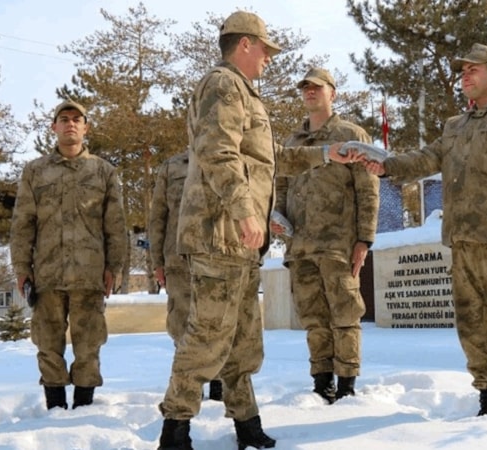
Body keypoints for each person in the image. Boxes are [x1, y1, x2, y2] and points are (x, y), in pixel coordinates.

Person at [156, 11, 358, 450]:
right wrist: (246, 212)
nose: (268, 58)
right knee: (208, 335)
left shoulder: (245, 94)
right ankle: (175, 429)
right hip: (220, 233)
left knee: (243, 339)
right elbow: (218, 151)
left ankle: (245, 422)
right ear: (245, 44)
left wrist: (328, 153)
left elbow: (271, 161)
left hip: (239, 241)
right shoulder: (223, 84)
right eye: (265, 49)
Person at [362, 43, 487, 417]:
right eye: (462, 72)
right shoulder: (455, 126)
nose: (465, 77)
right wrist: (387, 167)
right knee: (473, 327)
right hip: (462, 243)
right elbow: (427, 159)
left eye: (473, 70)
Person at [10, 100, 126, 410]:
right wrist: (22, 269)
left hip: (89, 276)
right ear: (54, 127)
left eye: (77, 119)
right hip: (47, 275)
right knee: (48, 345)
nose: (70, 124)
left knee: (88, 346)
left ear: (86, 128)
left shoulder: (103, 171)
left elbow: (115, 226)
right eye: (64, 119)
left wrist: (113, 268)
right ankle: (55, 410)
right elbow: (23, 224)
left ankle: (84, 409)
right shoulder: (35, 171)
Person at [272, 68, 379, 404]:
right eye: (304, 87)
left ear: (333, 93)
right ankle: (321, 384)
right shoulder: (293, 143)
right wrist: (277, 218)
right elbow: (281, 187)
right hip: (300, 246)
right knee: (314, 318)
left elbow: (368, 189)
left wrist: (364, 239)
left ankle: (347, 386)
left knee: (345, 315)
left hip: (339, 245)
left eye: (317, 87)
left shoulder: (350, 135)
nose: (309, 92)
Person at [148, 151, 224, 402]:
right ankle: (188, 387)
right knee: (181, 326)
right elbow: (158, 217)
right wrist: (157, 260)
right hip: (178, 261)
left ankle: (218, 387)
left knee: (219, 324)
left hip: (219, 259)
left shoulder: (229, 159)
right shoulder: (171, 167)